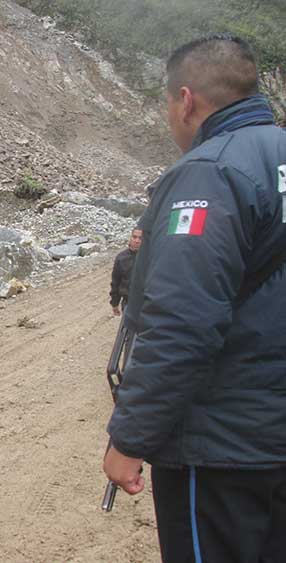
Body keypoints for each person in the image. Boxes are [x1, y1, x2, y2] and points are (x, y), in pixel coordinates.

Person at [103, 34, 286, 563]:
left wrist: (129, 439)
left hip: (224, 450)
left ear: (186, 100)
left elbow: (183, 322)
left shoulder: (209, 171)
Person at [109, 228, 142, 316]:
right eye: (134, 237)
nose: (137, 241)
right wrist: (114, 303)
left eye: (140, 238)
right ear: (130, 238)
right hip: (128, 303)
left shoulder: (151, 257)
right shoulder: (121, 258)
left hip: (147, 305)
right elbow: (115, 282)